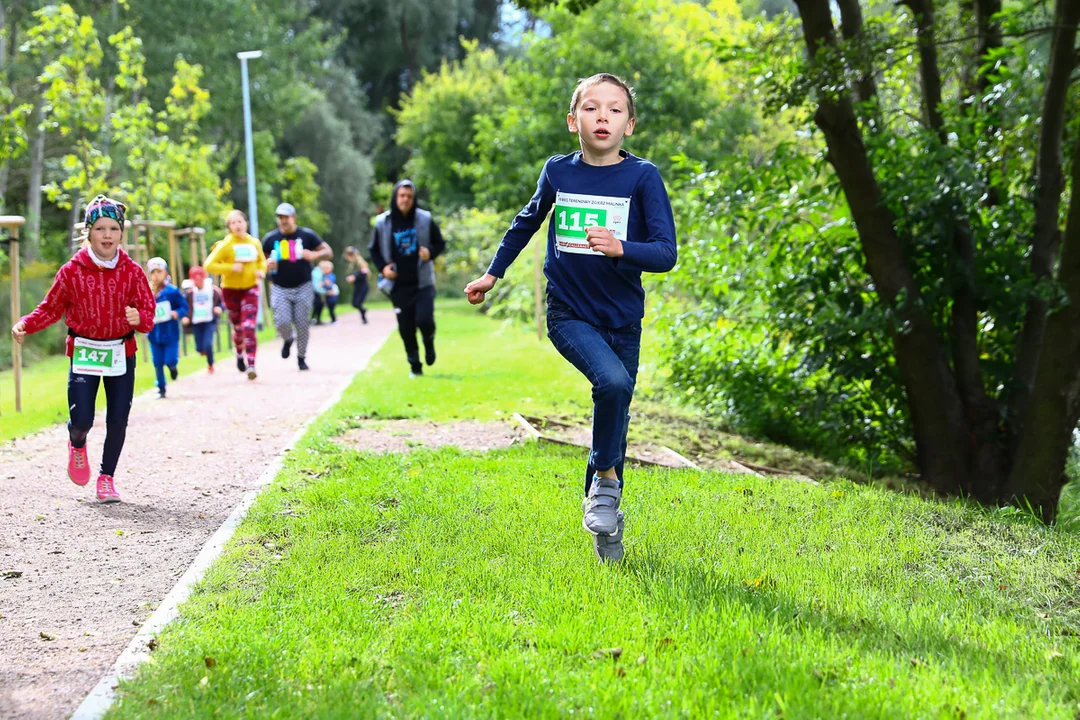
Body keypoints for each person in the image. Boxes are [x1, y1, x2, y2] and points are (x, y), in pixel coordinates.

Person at [464, 74, 677, 562]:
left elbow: (665, 253)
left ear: (630, 124)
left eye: (615, 110)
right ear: (572, 120)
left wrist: (622, 248)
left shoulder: (643, 177)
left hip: (622, 318)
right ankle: (605, 482)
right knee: (613, 385)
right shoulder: (558, 173)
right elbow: (526, 222)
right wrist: (492, 274)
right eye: (592, 108)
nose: (603, 117)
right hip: (568, 312)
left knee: (615, 414)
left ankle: (606, 527)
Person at [11, 195, 156, 503]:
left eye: (113, 229)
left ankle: (106, 478)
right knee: (83, 420)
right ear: (88, 232)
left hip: (121, 353)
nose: (107, 235)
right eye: (100, 228)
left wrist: (139, 318)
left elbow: (148, 313)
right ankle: (77, 443)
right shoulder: (71, 271)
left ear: (121, 233)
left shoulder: (132, 271)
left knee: (118, 418)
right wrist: (26, 323)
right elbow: (50, 308)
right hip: (85, 351)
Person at [370, 180, 446, 376]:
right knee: (406, 328)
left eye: (409, 197)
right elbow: (374, 250)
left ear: (414, 199)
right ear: (395, 197)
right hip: (398, 285)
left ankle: (429, 343)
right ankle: (415, 366)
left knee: (425, 320)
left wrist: (430, 252)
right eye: (402, 196)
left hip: (423, 282)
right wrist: (383, 268)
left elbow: (440, 243)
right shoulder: (383, 222)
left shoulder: (425, 219)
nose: (405, 200)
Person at [262, 202, 332, 371]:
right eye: (280, 218)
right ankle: (287, 339)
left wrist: (314, 254)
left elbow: (328, 252)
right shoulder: (270, 239)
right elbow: (260, 262)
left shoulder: (307, 235)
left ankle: (301, 357)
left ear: (293, 217)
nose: (283, 221)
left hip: (303, 286)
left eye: (286, 217)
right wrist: (266, 264)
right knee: (282, 321)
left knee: (302, 324)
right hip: (279, 286)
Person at [204, 209, 266, 379]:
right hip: (230, 290)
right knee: (238, 328)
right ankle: (239, 353)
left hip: (250, 287)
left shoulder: (254, 243)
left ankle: (251, 364)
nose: (237, 225)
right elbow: (209, 265)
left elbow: (262, 261)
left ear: (245, 223)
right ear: (229, 227)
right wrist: (231, 268)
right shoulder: (225, 245)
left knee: (248, 326)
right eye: (233, 222)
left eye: (240, 221)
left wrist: (261, 271)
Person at [146, 257, 187, 399]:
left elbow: (183, 307)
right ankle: (161, 388)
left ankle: (173, 367)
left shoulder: (172, 291)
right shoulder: (146, 291)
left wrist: (177, 313)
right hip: (153, 334)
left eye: (159, 271)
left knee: (170, 359)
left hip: (170, 333)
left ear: (165, 273)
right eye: (153, 272)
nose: (156, 275)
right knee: (157, 362)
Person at [180, 265, 224, 373]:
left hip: (209, 320)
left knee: (208, 344)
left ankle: (210, 364)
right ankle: (202, 350)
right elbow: (184, 306)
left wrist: (219, 308)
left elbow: (223, 302)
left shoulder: (213, 290)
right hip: (196, 322)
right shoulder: (190, 293)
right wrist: (185, 317)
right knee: (199, 347)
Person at [343, 246, 370, 324]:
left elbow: (364, 273)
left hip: (363, 287)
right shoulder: (352, 265)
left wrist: (354, 277)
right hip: (357, 287)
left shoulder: (360, 263)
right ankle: (363, 311)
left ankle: (364, 318)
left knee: (357, 303)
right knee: (354, 303)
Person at [314, 260, 339, 324]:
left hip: (332, 294)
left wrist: (323, 284)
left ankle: (334, 320)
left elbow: (329, 283)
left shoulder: (330, 276)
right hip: (327, 294)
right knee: (324, 306)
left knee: (331, 308)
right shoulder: (322, 275)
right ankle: (316, 319)